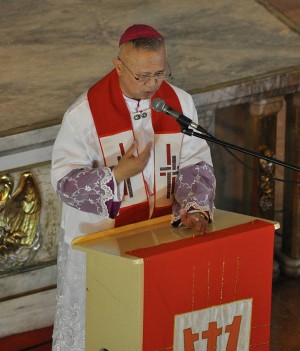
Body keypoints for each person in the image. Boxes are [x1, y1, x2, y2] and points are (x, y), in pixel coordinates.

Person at [51, 24, 216, 351]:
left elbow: (195, 162)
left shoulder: (178, 103)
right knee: (106, 329)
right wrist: (118, 173)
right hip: (103, 243)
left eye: (159, 72)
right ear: (118, 66)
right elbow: (65, 183)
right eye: (142, 76)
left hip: (161, 236)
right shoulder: (83, 115)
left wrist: (195, 207)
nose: (153, 84)